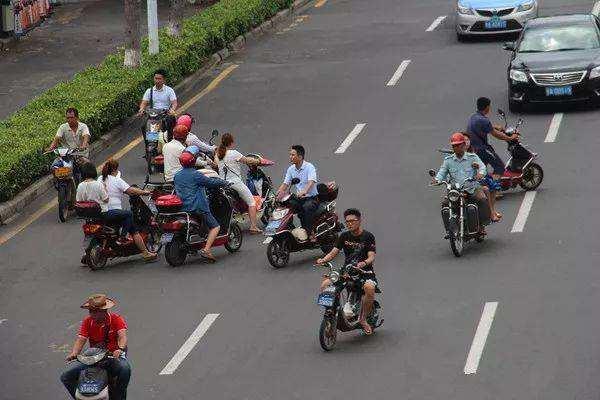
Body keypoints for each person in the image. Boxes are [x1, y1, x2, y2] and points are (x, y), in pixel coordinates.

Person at [317, 208, 377, 335]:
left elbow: (371, 256)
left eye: (352, 221)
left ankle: (363, 319)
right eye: (347, 221)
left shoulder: (368, 236)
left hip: (364, 271)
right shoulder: (344, 236)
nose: (349, 223)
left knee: (369, 288)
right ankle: (332, 312)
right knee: (325, 285)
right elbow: (333, 252)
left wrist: (364, 263)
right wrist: (323, 259)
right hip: (347, 270)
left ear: (359, 221)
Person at [60, 294, 131, 400]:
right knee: (66, 377)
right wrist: (74, 353)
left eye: (94, 311)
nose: (91, 314)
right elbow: (81, 340)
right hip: (95, 358)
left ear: (103, 311)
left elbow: (123, 337)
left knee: (125, 369)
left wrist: (119, 349)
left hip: (113, 357)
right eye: (90, 311)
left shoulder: (116, 319)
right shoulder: (87, 322)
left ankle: (119, 397)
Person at [174, 150, 230, 262]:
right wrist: (224, 183)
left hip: (182, 207)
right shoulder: (196, 175)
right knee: (216, 226)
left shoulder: (177, 175)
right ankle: (207, 250)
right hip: (197, 206)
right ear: (193, 161)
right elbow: (211, 183)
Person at [467, 97, 518, 217]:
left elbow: (489, 127)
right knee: (499, 167)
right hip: (482, 149)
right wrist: (511, 138)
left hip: (474, 149)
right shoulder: (483, 120)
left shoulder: (474, 117)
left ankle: (480, 186)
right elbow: (496, 135)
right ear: (487, 107)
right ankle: (493, 188)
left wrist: (496, 127)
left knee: (482, 169)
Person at [99, 159, 157, 261]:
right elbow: (130, 190)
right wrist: (145, 192)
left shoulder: (100, 179)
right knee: (130, 220)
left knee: (127, 218)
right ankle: (140, 249)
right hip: (113, 212)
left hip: (100, 212)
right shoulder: (117, 180)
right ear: (115, 169)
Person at [432, 133, 491, 229]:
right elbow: (442, 172)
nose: (456, 148)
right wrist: (437, 180)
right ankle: (449, 230)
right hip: (456, 191)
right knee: (445, 204)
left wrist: (480, 173)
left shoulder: (472, 157)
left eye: (458, 145)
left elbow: (482, 167)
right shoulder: (448, 160)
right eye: (454, 146)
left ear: (463, 145)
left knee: (482, 199)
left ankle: (482, 223)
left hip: (471, 188)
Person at [214, 133, 262, 233]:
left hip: (222, 184)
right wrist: (257, 161)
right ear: (231, 143)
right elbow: (247, 160)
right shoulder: (234, 153)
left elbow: (215, 165)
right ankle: (253, 226)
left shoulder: (218, 154)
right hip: (235, 183)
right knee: (251, 202)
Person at [276, 145, 318, 235]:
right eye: (290, 155)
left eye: (293, 155)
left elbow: (311, 182)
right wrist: (278, 194)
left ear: (300, 157)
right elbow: (285, 184)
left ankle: (311, 233)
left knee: (307, 207)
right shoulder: (291, 169)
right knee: (284, 205)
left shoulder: (309, 167)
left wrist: (304, 191)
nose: (290, 157)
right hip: (299, 198)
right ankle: (288, 230)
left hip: (311, 198)